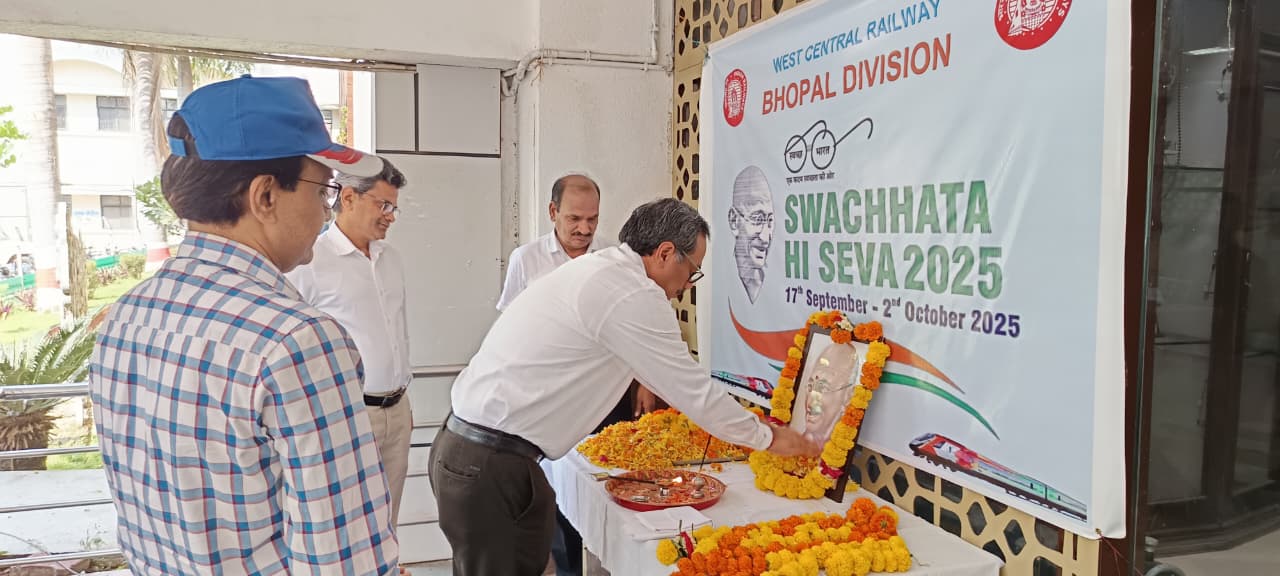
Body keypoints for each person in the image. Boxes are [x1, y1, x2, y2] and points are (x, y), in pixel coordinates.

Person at [88, 76, 399, 575]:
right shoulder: (296, 340)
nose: (326, 211)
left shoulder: (128, 315)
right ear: (265, 195)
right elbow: (344, 559)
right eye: (324, 190)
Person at [431, 197, 821, 576]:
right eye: (693, 271)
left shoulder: (604, 270)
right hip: (490, 465)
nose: (688, 285)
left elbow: (664, 377)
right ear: (666, 253)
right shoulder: (632, 293)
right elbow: (693, 392)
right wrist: (770, 438)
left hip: (471, 450)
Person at [495, 173, 656, 576]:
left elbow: (636, 325)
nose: (584, 229)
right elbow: (510, 331)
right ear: (553, 212)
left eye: (592, 219)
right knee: (558, 494)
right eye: (574, 219)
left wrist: (644, 380)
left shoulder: (614, 257)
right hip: (549, 400)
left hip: (606, 396)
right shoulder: (526, 260)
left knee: (610, 485)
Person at [286, 157, 412, 526]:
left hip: (396, 409)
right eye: (383, 205)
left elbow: (398, 332)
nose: (390, 216)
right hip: (346, 414)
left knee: (387, 522)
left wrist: (404, 399)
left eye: (394, 208)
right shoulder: (310, 262)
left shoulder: (391, 258)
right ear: (349, 197)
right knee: (348, 522)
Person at [728, 166, 775, 303]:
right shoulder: (723, 275)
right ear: (734, 221)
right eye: (757, 219)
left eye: (770, 221)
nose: (765, 238)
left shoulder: (770, 281)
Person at [800, 341, 860, 445]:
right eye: (810, 386)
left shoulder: (838, 447)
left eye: (823, 388)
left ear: (848, 396)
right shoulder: (792, 443)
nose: (810, 402)